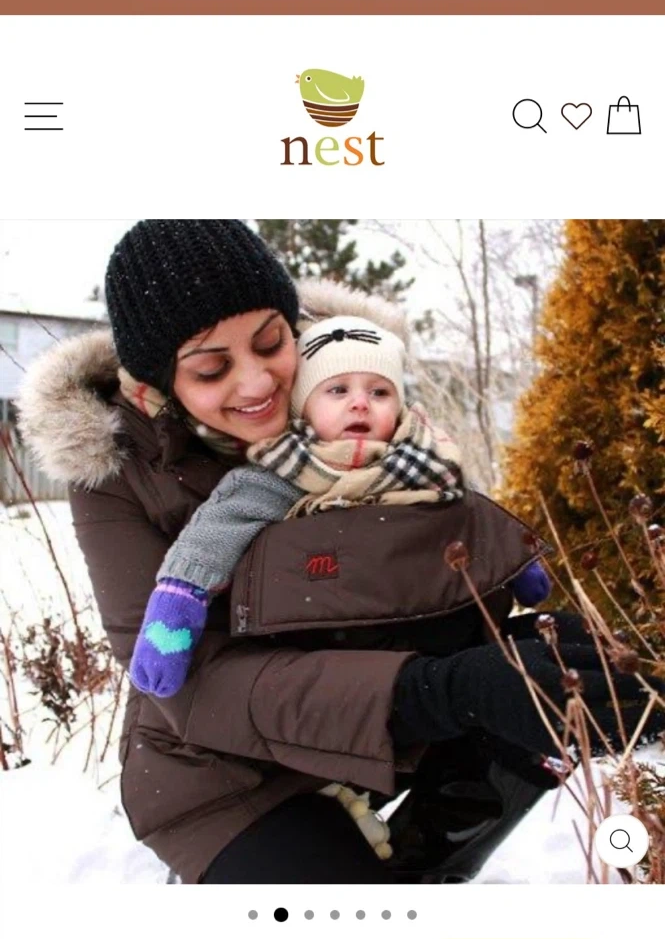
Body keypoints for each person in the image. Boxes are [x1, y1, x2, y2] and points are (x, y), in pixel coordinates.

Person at [17, 220, 665, 885]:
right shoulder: (116, 472)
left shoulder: (347, 383)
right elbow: (194, 686)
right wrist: (440, 691)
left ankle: (427, 857)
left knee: (554, 666)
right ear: (159, 381)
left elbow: (432, 525)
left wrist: (507, 631)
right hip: (227, 774)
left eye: (271, 343)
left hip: (384, 720)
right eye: (212, 369)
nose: (256, 384)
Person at [127, 314, 552, 859]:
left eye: (379, 391)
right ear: (304, 406)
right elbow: (217, 531)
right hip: (328, 652)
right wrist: (178, 602)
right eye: (338, 390)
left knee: (518, 685)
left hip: (420, 639)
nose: (360, 404)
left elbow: (472, 513)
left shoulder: (425, 461)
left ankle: (437, 837)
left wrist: (517, 560)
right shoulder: (282, 472)